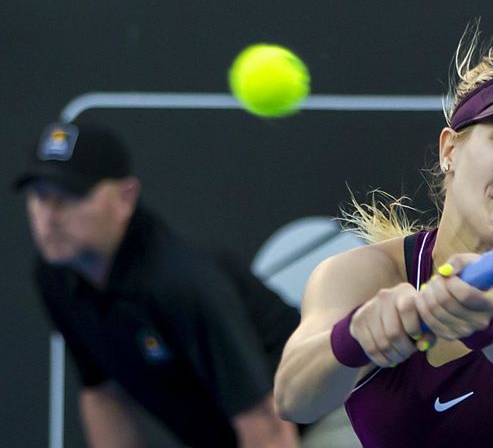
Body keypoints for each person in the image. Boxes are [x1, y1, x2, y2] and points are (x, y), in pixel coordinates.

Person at [274, 32, 493, 448]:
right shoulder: (361, 274)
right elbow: (293, 398)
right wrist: (355, 336)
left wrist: (490, 317)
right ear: (450, 149)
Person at [14, 122, 302, 448]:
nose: (49, 217)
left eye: (70, 196)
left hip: (319, 419)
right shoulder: (55, 277)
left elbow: (266, 423)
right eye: (39, 196)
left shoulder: (179, 283)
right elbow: (102, 394)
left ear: (125, 197)